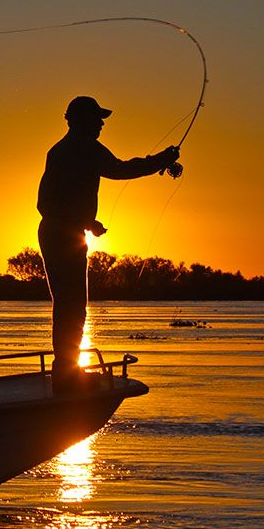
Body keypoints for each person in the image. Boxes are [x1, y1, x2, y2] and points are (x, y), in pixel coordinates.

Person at [37, 97, 180, 389]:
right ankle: (66, 375)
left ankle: (65, 370)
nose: (101, 124)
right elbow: (121, 169)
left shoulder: (59, 151)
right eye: (96, 118)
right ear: (78, 120)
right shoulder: (84, 147)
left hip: (57, 231)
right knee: (72, 305)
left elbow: (53, 199)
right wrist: (161, 160)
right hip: (63, 235)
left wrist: (88, 223)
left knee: (68, 303)